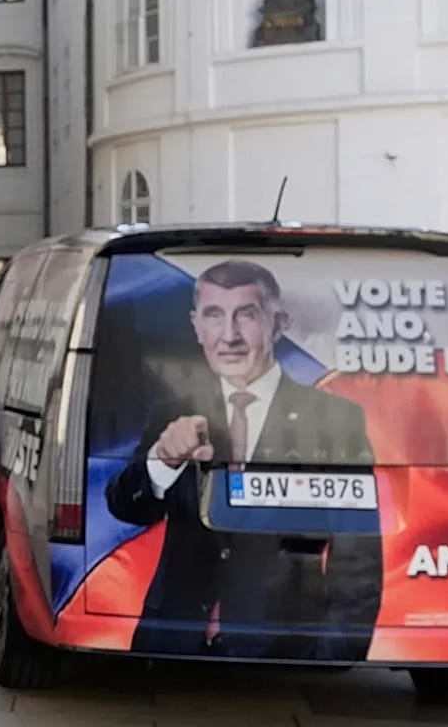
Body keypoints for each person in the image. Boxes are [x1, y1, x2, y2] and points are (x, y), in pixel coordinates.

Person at [104, 259, 381, 661]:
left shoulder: (336, 419)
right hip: (170, 645)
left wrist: (335, 651)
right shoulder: (172, 410)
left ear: (279, 323)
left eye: (246, 315)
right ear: (197, 326)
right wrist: (163, 459)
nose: (229, 335)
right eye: (214, 316)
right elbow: (126, 506)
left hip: (285, 650)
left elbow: (359, 552)